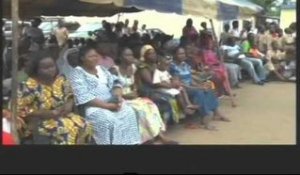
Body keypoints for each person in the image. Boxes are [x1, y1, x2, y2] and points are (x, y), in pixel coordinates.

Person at [67, 45, 141, 145]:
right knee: (108, 120)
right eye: (91, 56)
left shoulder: (101, 69)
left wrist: (117, 97)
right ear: (82, 58)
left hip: (112, 102)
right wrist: (107, 106)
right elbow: (83, 95)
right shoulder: (77, 73)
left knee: (129, 112)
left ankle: (130, 143)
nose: (95, 59)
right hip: (94, 106)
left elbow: (116, 82)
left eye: (96, 56)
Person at [17, 49, 93, 144]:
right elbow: (19, 109)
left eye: (52, 66)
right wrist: (44, 113)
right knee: (68, 130)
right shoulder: (29, 85)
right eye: (45, 68)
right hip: (41, 121)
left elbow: (70, 95)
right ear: (36, 69)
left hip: (63, 115)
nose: (50, 70)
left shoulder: (61, 79)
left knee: (86, 125)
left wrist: (69, 105)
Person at [111, 47, 178, 144]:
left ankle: (159, 136)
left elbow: (135, 84)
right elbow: (112, 89)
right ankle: (149, 139)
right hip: (121, 98)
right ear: (120, 57)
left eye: (131, 55)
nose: (130, 57)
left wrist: (135, 91)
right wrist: (125, 96)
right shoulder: (114, 70)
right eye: (127, 55)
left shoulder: (133, 68)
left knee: (150, 105)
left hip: (133, 96)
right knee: (141, 109)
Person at [170, 47, 230, 130]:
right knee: (200, 92)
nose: (182, 55)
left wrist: (201, 85)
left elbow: (190, 79)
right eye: (180, 54)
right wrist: (198, 87)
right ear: (174, 55)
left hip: (191, 86)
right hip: (183, 88)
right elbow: (179, 83)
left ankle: (216, 113)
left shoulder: (185, 65)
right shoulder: (173, 67)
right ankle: (206, 117)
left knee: (209, 87)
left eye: (183, 53)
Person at [136, 45, 184, 124]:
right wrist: (169, 85)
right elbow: (152, 83)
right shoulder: (143, 67)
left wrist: (171, 83)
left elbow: (165, 75)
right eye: (150, 54)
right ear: (144, 56)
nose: (153, 55)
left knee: (178, 91)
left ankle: (173, 118)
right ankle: (162, 123)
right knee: (166, 99)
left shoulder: (156, 65)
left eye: (154, 53)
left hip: (158, 87)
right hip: (148, 90)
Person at [201, 40, 237, 107]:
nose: (211, 45)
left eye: (212, 43)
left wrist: (220, 57)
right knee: (220, 77)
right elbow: (206, 62)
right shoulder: (205, 52)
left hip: (219, 67)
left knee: (226, 77)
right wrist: (214, 63)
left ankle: (231, 97)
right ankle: (223, 94)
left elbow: (220, 60)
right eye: (210, 43)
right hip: (212, 68)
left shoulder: (215, 51)